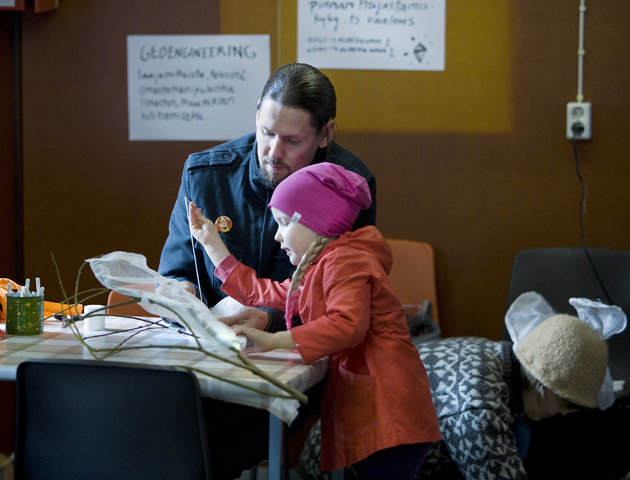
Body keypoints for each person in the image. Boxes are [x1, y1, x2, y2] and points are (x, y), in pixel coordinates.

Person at [188, 162, 442, 479]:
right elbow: (262, 292)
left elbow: (347, 325)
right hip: (384, 411)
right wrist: (211, 244)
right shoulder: (325, 265)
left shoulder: (345, 261)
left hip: (391, 412)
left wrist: (275, 340)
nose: (277, 236)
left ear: (316, 221)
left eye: (283, 223)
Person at [297, 291, 627, 480]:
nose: (564, 414)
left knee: (520, 434)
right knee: (516, 438)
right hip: (341, 469)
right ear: (545, 385)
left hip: (348, 444)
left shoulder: (493, 352)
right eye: (566, 404)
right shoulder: (479, 409)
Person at [158, 62, 376, 329]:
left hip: (301, 342)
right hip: (213, 335)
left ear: (325, 134)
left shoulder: (349, 187)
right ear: (258, 115)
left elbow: (344, 297)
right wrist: (181, 292)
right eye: (267, 133)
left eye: (292, 141)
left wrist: (271, 321)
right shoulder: (206, 176)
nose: (274, 152)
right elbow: (177, 271)